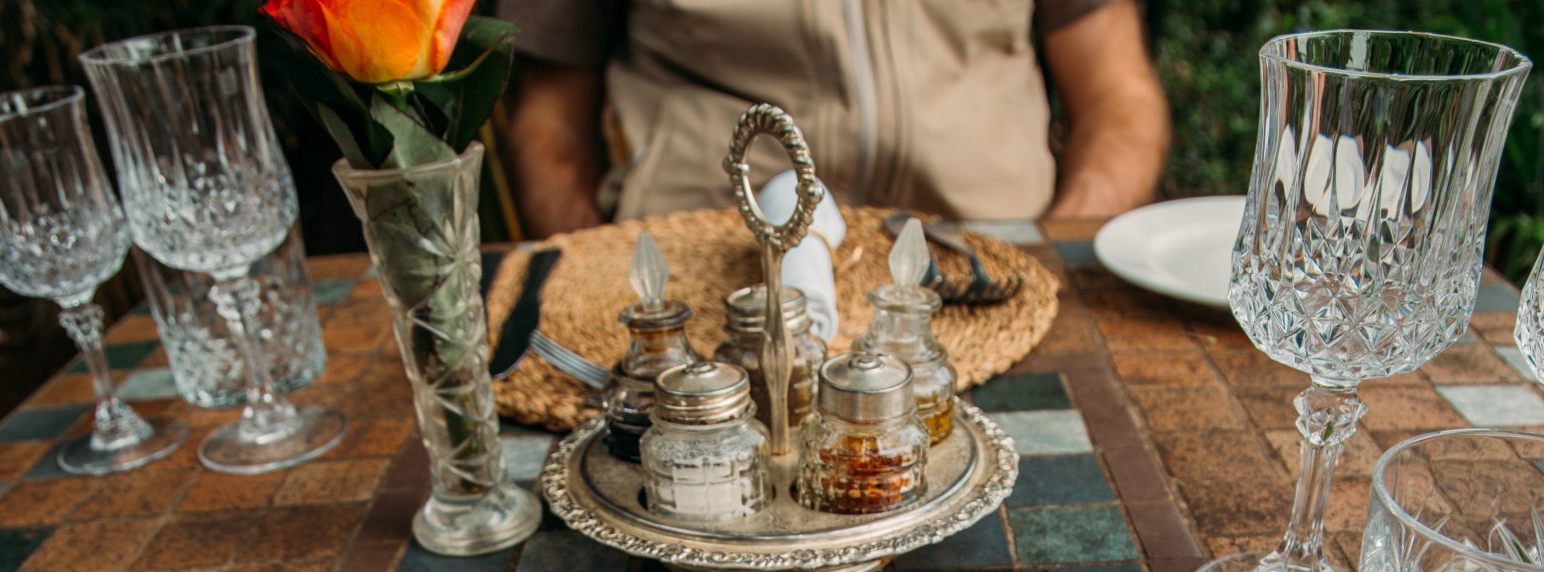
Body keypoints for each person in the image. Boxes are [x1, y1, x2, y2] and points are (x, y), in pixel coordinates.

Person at [495, 0, 1170, 238]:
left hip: (983, 259)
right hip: (707, 274)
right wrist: (603, 284)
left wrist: (1046, 254)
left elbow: (1119, 99)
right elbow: (548, 124)